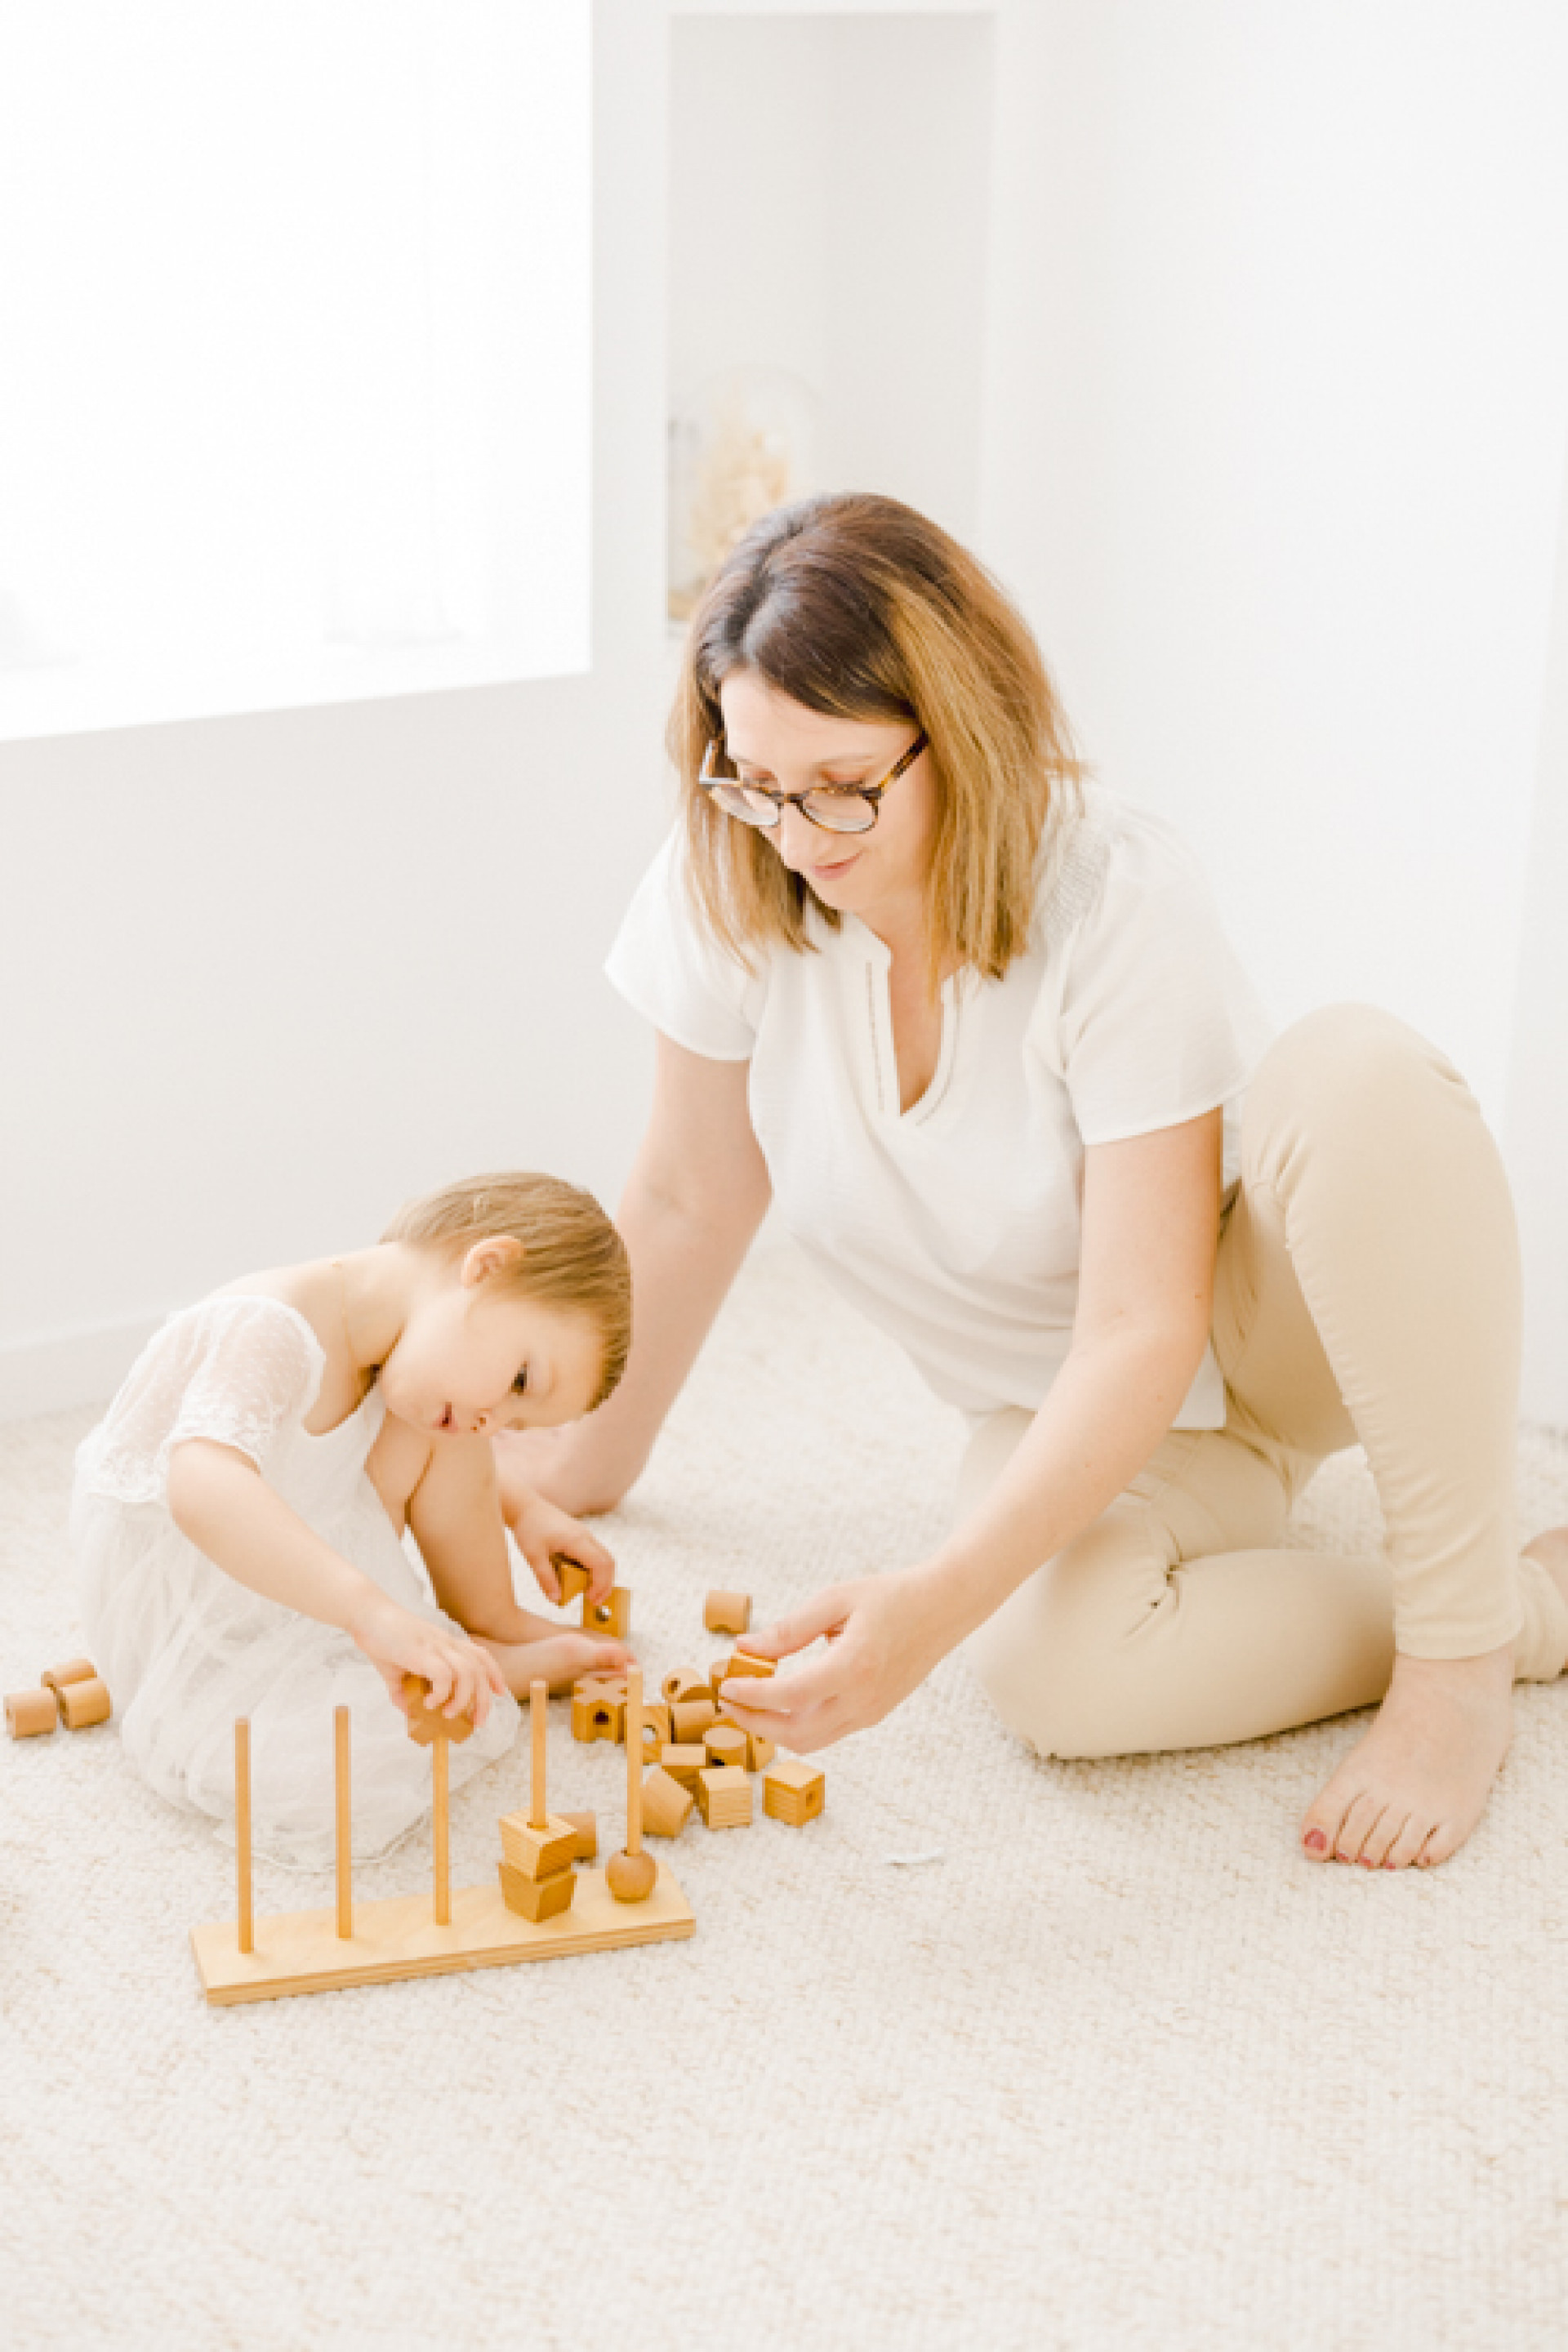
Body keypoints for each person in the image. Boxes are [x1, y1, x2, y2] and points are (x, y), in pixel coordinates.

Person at [500, 489, 1568, 1874]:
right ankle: (1528, 1601)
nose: (798, 831)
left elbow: (1149, 1320)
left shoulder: (1110, 889)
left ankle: (1462, 1662)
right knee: (1055, 1679)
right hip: (1061, 1397)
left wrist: (926, 1607)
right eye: (755, 779)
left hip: (1253, 1325)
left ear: (965, 726)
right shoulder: (732, 880)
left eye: (843, 783)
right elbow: (694, 1195)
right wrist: (572, 1467)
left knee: (1358, 1073)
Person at [74, 1171, 631, 1865]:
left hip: (308, 1543)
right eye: (521, 1381)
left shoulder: (401, 1339)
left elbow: (451, 1420)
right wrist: (371, 1611)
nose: (499, 1420)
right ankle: (460, 1655)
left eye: (519, 1419)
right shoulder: (271, 1324)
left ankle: (490, 1627)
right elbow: (202, 1486)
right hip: (204, 1603)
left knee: (451, 1420)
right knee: (322, 1770)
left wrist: (524, 1508)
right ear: (485, 1266)